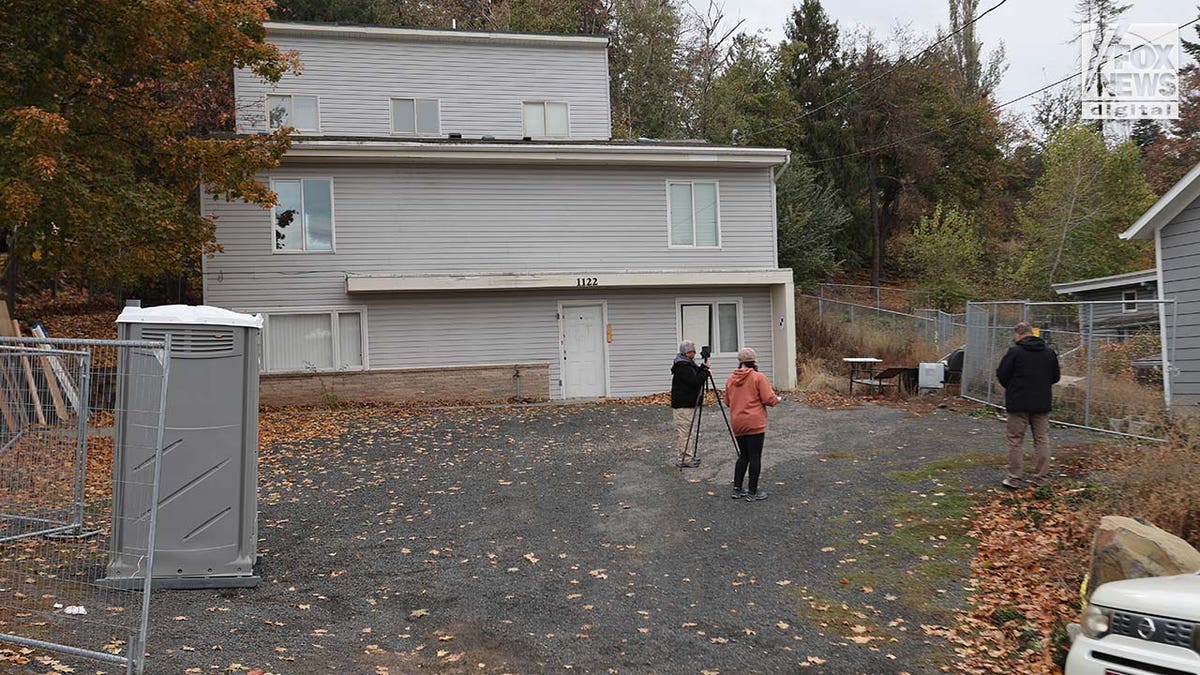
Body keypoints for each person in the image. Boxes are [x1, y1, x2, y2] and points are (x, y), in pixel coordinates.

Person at [995, 322, 1061, 490]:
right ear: (1033, 333)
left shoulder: (1015, 352)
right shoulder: (1049, 353)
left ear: (1018, 334)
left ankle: (1014, 478)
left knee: (1015, 440)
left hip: (1018, 403)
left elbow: (1002, 374)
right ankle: (1041, 478)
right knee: (1042, 439)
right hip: (1042, 403)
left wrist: (1013, 387)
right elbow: (1055, 377)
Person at [725, 347, 779, 501]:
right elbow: (769, 399)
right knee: (755, 456)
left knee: (743, 456)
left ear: (739, 361)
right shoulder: (758, 377)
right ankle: (752, 491)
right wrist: (777, 400)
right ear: (754, 361)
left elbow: (727, 402)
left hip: (738, 422)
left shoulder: (731, 379)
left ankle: (737, 488)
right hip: (755, 422)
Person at [670, 340, 708, 468]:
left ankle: (688, 456)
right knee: (685, 432)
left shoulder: (687, 364)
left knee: (687, 431)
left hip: (687, 404)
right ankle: (685, 459)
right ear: (685, 353)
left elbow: (696, 373)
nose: (694, 354)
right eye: (691, 352)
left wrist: (703, 368)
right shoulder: (683, 366)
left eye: (694, 351)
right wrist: (705, 372)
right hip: (683, 405)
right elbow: (695, 381)